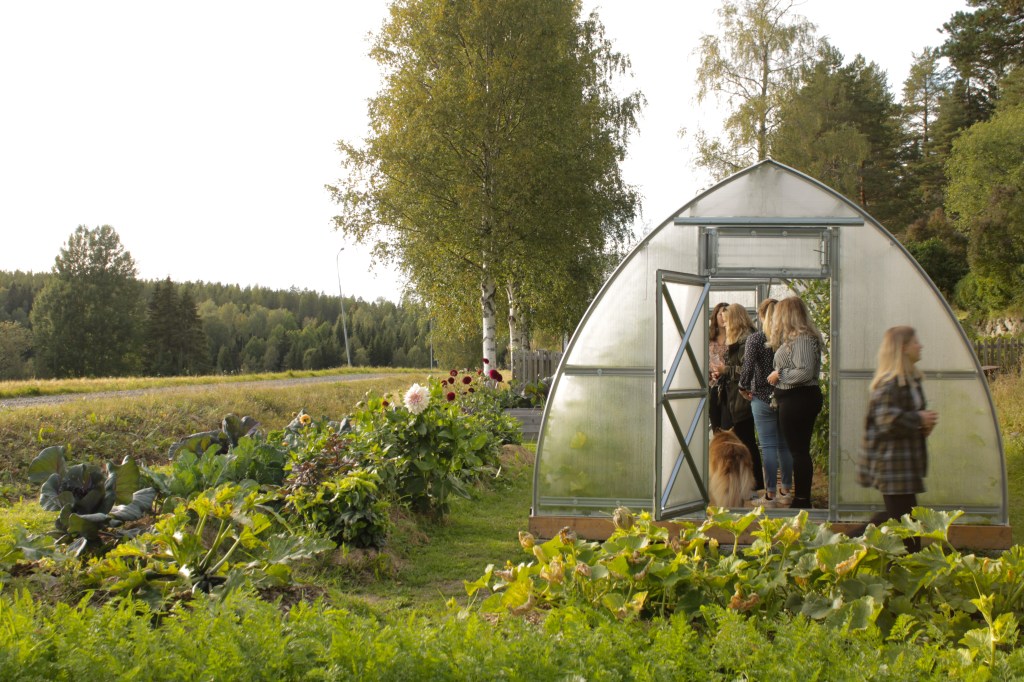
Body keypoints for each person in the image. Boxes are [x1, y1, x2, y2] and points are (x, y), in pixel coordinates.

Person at [854, 326, 937, 551]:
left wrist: (923, 426)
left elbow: (902, 421)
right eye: (915, 342)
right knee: (906, 528)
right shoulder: (889, 384)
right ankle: (847, 545)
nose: (920, 346)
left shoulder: (910, 381)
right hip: (892, 466)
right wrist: (919, 418)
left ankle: (846, 545)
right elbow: (886, 421)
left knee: (897, 520)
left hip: (905, 466)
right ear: (903, 348)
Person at [767, 296, 824, 509]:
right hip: (794, 399)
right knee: (798, 450)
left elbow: (805, 372)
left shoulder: (802, 339)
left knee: (799, 451)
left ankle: (802, 500)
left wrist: (779, 374)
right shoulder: (797, 339)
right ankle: (801, 498)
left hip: (798, 399)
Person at [739, 298, 793, 506]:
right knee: (784, 445)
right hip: (785, 396)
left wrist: (743, 387)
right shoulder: (789, 338)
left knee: (768, 446)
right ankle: (786, 491)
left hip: (761, 398)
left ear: (761, 316)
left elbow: (747, 367)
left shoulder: (755, 339)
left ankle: (770, 495)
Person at [716, 303, 766, 493]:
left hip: (743, 398)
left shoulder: (747, 341)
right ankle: (743, 484)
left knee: (746, 442)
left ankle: (756, 485)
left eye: (727, 321)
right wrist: (722, 373)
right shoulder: (740, 339)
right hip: (735, 397)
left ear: (735, 320)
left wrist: (726, 370)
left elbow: (748, 371)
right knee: (742, 441)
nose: (725, 324)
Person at [708, 302, 730, 431]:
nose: (723, 317)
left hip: (730, 385)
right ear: (715, 316)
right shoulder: (708, 338)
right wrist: (710, 373)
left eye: (726, 314)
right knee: (716, 425)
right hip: (713, 385)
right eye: (720, 314)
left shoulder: (734, 337)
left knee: (728, 426)